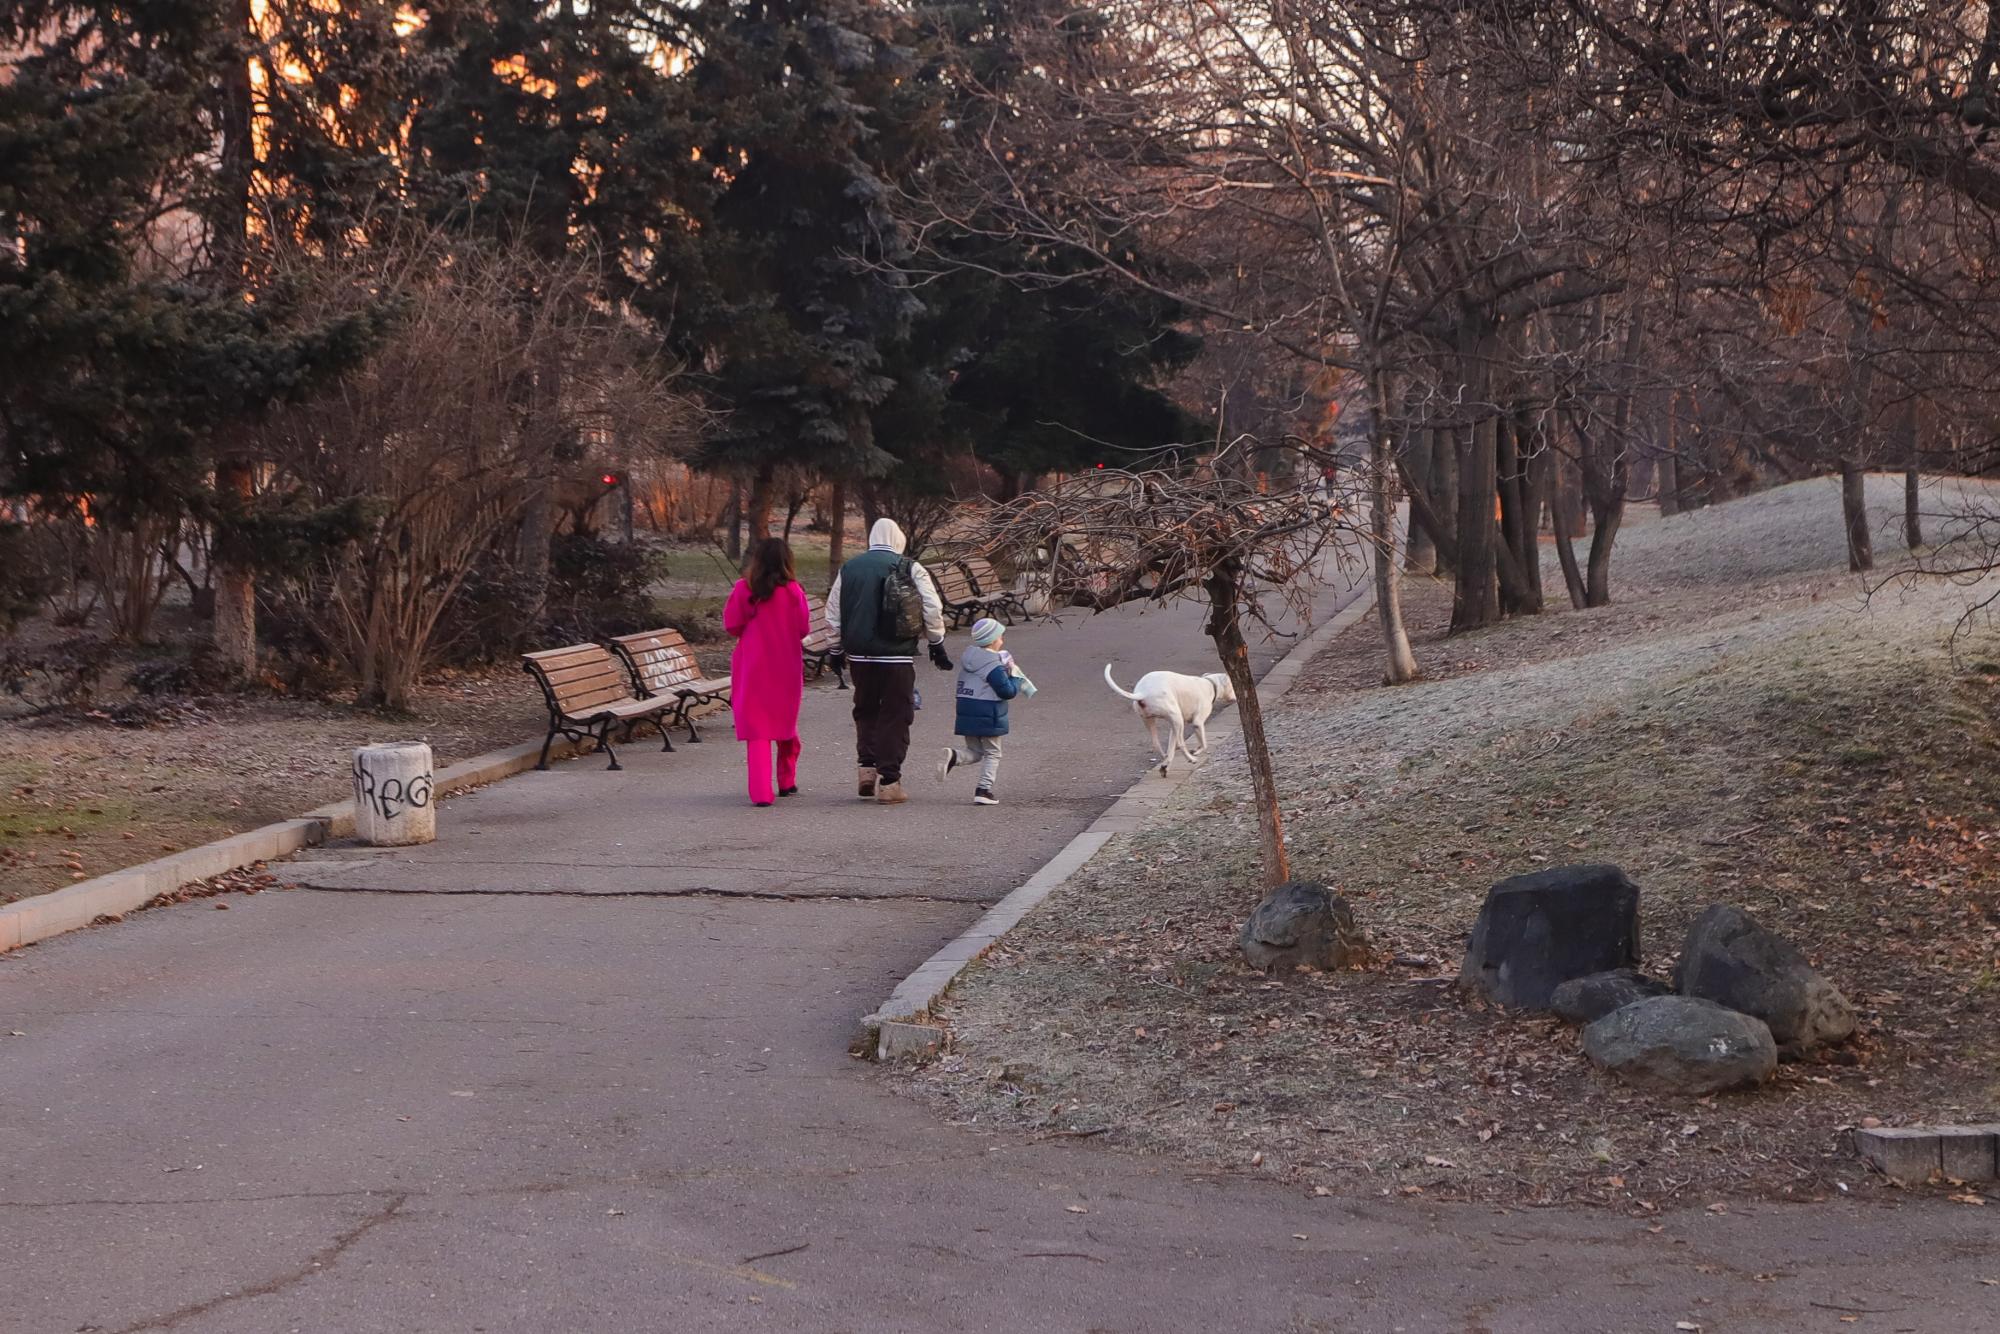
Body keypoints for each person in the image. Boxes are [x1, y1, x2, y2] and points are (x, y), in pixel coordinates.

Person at [824, 517, 950, 804]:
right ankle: (890, 781)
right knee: (896, 714)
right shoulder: (911, 567)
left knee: (865, 709)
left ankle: (866, 770)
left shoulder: (850, 567)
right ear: (899, 539)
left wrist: (834, 649)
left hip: (859, 656)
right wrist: (936, 641)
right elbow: (932, 606)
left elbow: (833, 612)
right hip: (896, 655)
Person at [723, 537, 811, 807]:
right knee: (785, 722)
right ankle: (786, 779)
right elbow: (803, 628)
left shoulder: (744, 589)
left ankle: (761, 792)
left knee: (758, 731)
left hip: (753, 667)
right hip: (785, 665)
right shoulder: (794, 592)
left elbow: (732, 624)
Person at [935, 617, 1033, 806]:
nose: (1002, 641)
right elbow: (1006, 691)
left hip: (967, 710)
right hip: (988, 712)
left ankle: (954, 756)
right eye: (1001, 637)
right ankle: (983, 789)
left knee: (975, 750)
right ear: (994, 639)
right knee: (993, 753)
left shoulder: (970, 658)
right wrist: (1016, 678)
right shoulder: (993, 664)